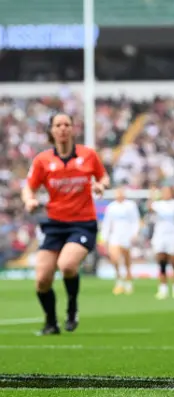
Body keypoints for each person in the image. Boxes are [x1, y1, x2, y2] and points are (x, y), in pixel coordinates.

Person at [21, 113, 109, 336]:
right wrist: (29, 200)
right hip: (54, 223)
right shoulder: (43, 160)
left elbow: (103, 177)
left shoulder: (88, 155)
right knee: (42, 279)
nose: (63, 128)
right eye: (58, 125)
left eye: (67, 124)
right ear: (51, 130)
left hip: (82, 223)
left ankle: (72, 308)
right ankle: (51, 323)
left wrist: (100, 185)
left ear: (73, 129)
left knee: (67, 265)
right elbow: (28, 187)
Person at [101, 187, 140, 295]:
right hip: (115, 235)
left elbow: (135, 220)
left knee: (127, 259)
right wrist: (104, 237)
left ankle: (128, 280)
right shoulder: (111, 207)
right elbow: (107, 223)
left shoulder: (130, 205)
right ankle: (119, 280)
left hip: (127, 235)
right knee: (115, 258)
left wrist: (135, 233)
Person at [147, 186, 174, 300]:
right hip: (160, 236)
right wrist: (152, 195)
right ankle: (163, 289)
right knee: (161, 262)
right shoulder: (158, 204)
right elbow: (149, 208)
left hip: (172, 236)